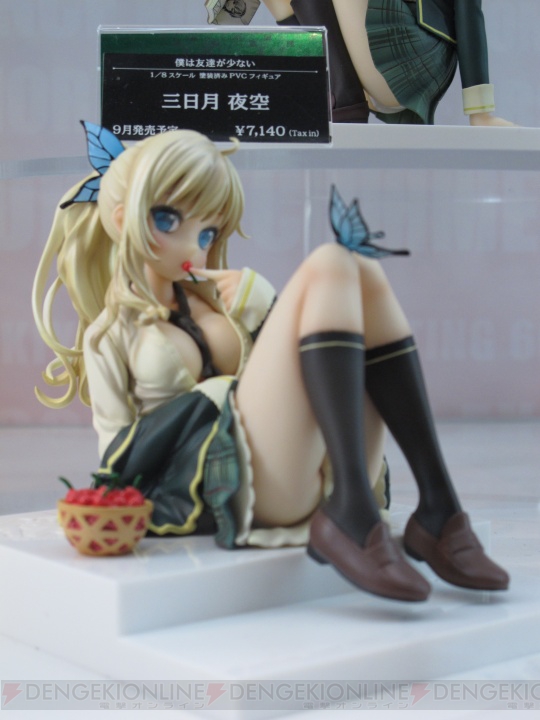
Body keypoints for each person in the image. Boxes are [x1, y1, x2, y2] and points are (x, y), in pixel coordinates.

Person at [33, 124, 509, 602]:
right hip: (231, 488)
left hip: (314, 468)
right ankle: (355, 517)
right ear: (122, 220)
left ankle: (436, 507)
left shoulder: (224, 303)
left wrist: (265, 309)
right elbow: (117, 459)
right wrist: (213, 395)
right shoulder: (110, 335)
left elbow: (292, 385)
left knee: (359, 264)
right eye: (168, 219)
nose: (194, 245)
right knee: (331, 260)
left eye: (208, 231)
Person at [253, 0, 515, 125]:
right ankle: (342, 95)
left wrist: (480, 113)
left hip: (417, 53)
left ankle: (344, 97)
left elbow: (470, 13)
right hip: (370, 48)